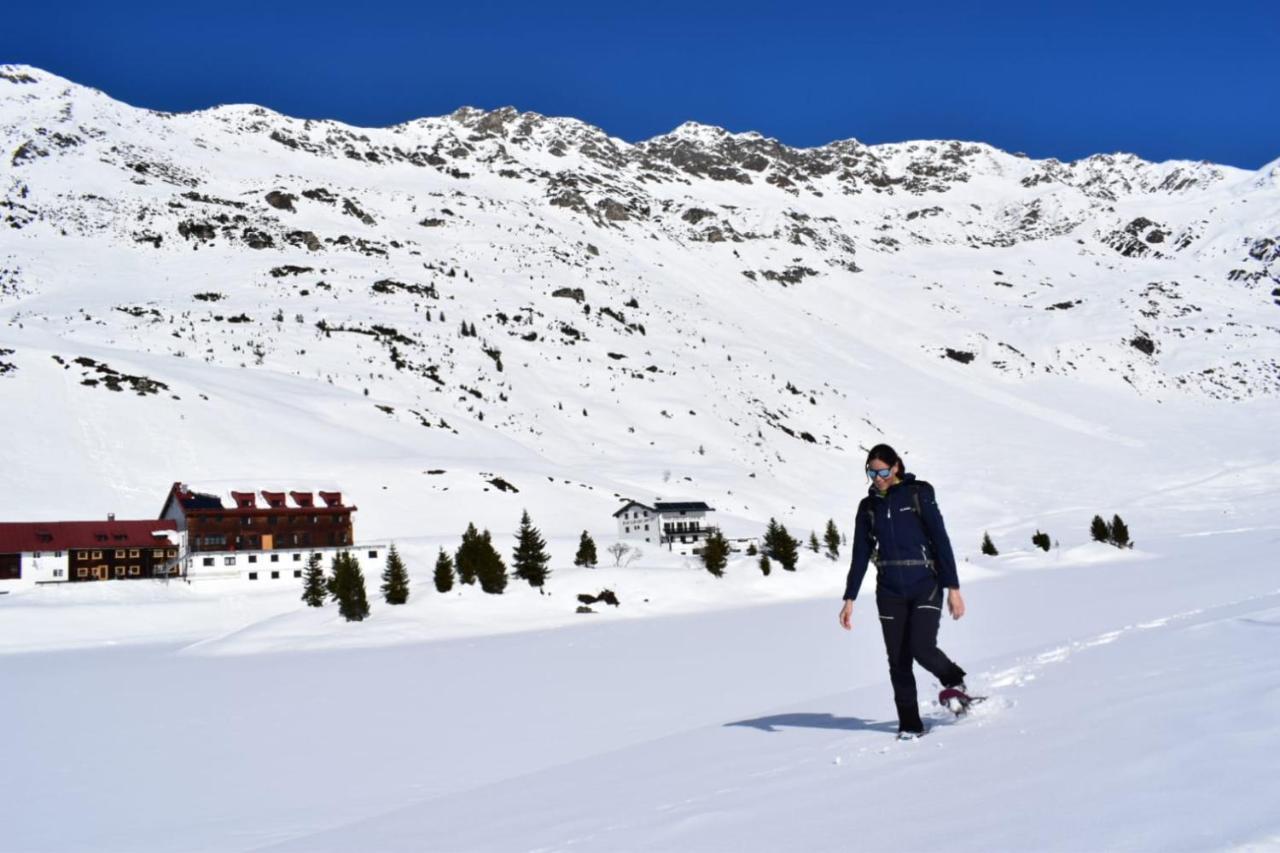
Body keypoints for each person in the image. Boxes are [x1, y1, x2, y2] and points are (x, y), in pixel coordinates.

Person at [838, 443, 969, 738]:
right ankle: (910, 725)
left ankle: (954, 679)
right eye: (871, 472)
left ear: (896, 466)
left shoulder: (917, 494)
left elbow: (941, 540)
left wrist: (953, 588)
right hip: (889, 591)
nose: (877, 477)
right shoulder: (868, 507)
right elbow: (860, 554)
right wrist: (849, 598)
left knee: (921, 648)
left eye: (882, 470)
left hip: (925, 583)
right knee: (897, 660)